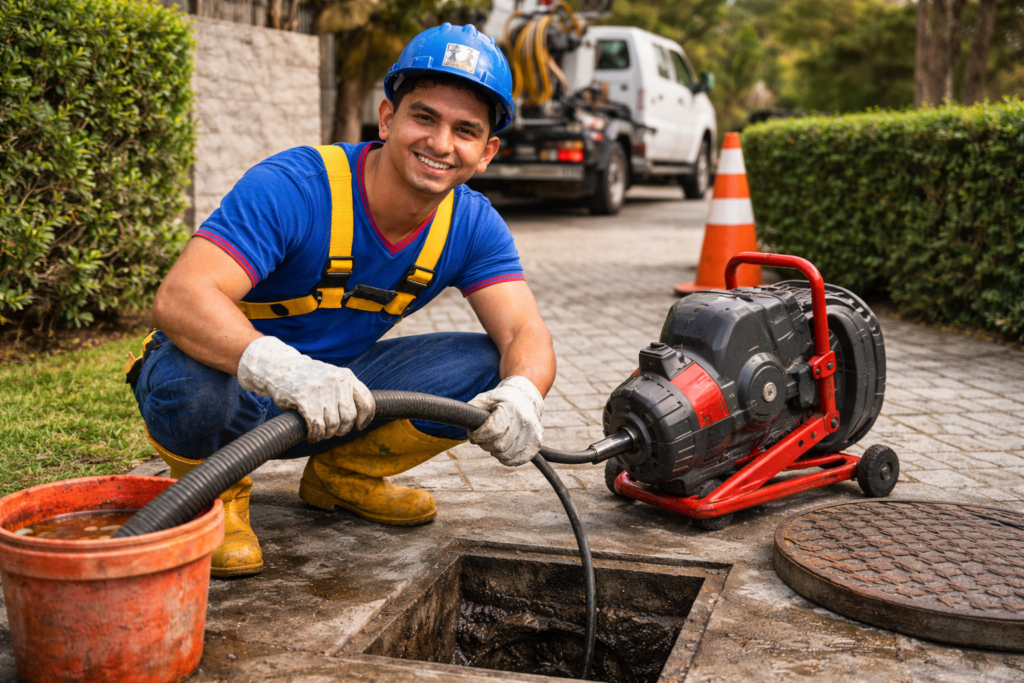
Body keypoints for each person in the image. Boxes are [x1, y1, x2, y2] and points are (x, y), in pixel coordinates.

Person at [125, 23, 555, 578]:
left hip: (336, 399)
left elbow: (526, 331)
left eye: (465, 130)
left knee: (486, 364)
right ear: (387, 118)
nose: (441, 143)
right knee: (191, 374)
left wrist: (524, 395)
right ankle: (215, 497)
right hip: (231, 388)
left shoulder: (470, 224)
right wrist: (282, 368)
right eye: (424, 116)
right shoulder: (297, 186)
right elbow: (182, 297)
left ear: (487, 151)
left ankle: (341, 478)